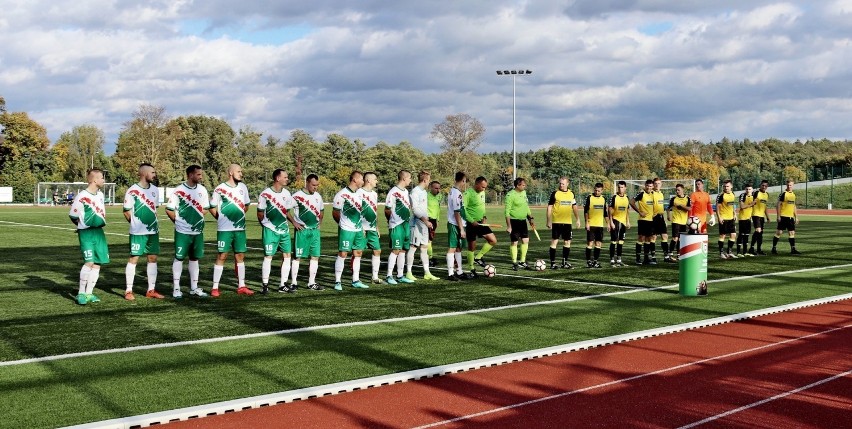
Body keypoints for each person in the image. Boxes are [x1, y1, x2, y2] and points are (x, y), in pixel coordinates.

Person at [166, 165, 210, 298]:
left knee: (195, 258)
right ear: (190, 175)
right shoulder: (178, 190)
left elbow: (206, 208)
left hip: (197, 231)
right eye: (198, 174)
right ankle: (176, 288)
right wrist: (179, 222)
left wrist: (197, 218)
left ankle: (194, 287)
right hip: (182, 232)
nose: (201, 177)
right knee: (179, 258)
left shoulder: (202, 190)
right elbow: (169, 209)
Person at [209, 164, 253, 296]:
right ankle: (215, 288)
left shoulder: (243, 187)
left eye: (241, 171)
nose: (241, 174)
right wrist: (221, 218)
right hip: (225, 230)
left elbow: (246, 205)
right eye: (239, 171)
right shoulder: (220, 189)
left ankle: (242, 286)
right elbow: (212, 206)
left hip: (240, 229)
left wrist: (239, 216)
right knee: (222, 255)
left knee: (240, 256)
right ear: (231, 173)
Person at [122, 163, 164, 300]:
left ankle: (151, 290)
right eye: (152, 172)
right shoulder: (132, 190)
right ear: (144, 173)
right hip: (137, 232)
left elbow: (154, 210)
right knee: (134, 258)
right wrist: (135, 224)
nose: (154, 175)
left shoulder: (155, 190)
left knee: (152, 258)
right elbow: (126, 211)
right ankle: (128, 290)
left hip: (153, 231)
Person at [69, 169, 109, 305]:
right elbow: (73, 216)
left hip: (99, 232)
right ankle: (81, 293)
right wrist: (82, 226)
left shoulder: (100, 195)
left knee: (97, 263)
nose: (104, 180)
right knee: (89, 262)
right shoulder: (82, 196)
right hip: (86, 233)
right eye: (102, 178)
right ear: (94, 180)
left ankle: (89, 293)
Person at [257, 169, 295, 294]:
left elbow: (286, 211)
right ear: (278, 178)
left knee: (287, 256)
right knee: (269, 256)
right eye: (285, 177)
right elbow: (260, 212)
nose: (287, 179)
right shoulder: (265, 194)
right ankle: (265, 285)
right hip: (270, 230)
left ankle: (282, 285)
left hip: (284, 230)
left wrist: (293, 222)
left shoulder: (287, 193)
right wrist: (265, 225)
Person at [332, 171, 368, 291]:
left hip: (358, 229)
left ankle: (355, 280)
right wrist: (343, 224)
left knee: (358, 253)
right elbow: (335, 212)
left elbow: (360, 212)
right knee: (343, 254)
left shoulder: (359, 194)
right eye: (362, 179)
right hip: (346, 229)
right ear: (355, 180)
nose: (363, 182)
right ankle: (337, 281)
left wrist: (361, 227)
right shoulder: (342, 194)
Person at [290, 174, 325, 290]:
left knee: (315, 256)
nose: (315, 187)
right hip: (302, 231)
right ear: (307, 183)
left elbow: (321, 210)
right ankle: (293, 283)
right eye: (313, 185)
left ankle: (311, 283)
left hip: (314, 231)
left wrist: (320, 222)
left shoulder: (318, 196)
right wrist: (294, 223)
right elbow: (284, 209)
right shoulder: (297, 196)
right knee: (297, 257)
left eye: (317, 185)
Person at [463, 176, 497, 277]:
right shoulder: (468, 193)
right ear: (476, 184)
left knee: (493, 240)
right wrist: (471, 221)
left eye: (485, 187)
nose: (484, 189)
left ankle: (478, 258)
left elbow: (482, 206)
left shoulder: (482, 192)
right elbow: (463, 209)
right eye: (482, 187)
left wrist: (484, 216)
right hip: (471, 224)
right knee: (471, 247)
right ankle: (471, 268)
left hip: (481, 223)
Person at [408, 171, 439, 280]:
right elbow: (415, 209)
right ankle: (408, 272)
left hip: (424, 224)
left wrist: (426, 221)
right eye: (429, 180)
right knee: (413, 247)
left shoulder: (424, 192)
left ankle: (427, 272)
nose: (429, 182)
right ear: (425, 180)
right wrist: (425, 221)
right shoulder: (415, 192)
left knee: (424, 247)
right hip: (417, 224)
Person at [385, 170, 414, 284]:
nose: (410, 180)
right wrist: (391, 221)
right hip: (397, 225)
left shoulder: (406, 191)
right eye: (409, 178)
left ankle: (400, 275)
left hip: (406, 224)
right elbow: (387, 209)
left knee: (403, 250)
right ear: (404, 178)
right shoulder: (393, 192)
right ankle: (389, 275)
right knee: (395, 250)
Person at [546, 177, 580, 269]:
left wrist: (578, 219)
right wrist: (548, 220)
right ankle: (553, 263)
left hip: (567, 222)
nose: (561, 185)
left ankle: (564, 262)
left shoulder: (571, 194)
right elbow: (549, 207)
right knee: (554, 242)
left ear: (567, 184)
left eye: (563, 184)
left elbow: (574, 207)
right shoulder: (555, 193)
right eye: (560, 183)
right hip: (557, 222)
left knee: (567, 242)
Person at [358, 172, 384, 284]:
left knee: (377, 250)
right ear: (368, 180)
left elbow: (375, 211)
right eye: (375, 179)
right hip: (361, 228)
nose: (376, 181)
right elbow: (356, 210)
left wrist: (377, 227)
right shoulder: (359, 192)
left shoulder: (374, 194)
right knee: (358, 252)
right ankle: (355, 278)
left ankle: (374, 277)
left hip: (372, 228)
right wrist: (359, 227)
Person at [505, 177, 535, 270]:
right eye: (523, 185)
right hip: (514, 221)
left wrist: (530, 217)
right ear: (517, 185)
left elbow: (526, 206)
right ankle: (514, 262)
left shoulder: (524, 193)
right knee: (514, 242)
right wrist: (509, 226)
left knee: (525, 240)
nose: (524, 186)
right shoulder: (510, 195)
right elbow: (507, 212)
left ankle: (522, 261)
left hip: (523, 221)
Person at [446, 172, 468, 281]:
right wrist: (461, 229)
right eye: (465, 181)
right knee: (452, 248)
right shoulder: (455, 193)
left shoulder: (455, 192)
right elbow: (456, 212)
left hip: (458, 224)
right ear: (463, 180)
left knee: (459, 248)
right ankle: (450, 273)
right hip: (454, 225)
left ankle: (459, 271)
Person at [629, 179, 656, 265]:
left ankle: (646, 259)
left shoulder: (653, 194)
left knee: (648, 239)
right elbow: (631, 202)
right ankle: (637, 259)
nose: (649, 188)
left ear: (653, 187)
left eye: (651, 186)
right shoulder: (641, 194)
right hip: (643, 220)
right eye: (647, 186)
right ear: (645, 186)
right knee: (641, 238)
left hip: (651, 220)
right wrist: (639, 212)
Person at [772, 179, 801, 254]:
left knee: (792, 233)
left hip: (790, 217)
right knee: (779, 232)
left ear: (793, 185)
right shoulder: (783, 194)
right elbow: (778, 204)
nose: (789, 186)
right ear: (786, 185)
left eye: (790, 185)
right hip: (783, 216)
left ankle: (793, 249)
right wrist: (778, 216)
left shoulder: (793, 195)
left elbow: (794, 206)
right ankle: (774, 248)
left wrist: (796, 217)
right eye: (788, 185)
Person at [584, 182, 609, 268]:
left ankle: (595, 261)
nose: (596, 192)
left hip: (600, 225)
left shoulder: (603, 199)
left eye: (598, 191)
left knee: (598, 244)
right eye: (595, 190)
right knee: (590, 243)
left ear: (602, 190)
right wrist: (587, 222)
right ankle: (588, 262)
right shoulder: (589, 197)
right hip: (591, 225)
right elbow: (586, 211)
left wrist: (608, 223)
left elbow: (605, 213)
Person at [666, 183, 692, 260]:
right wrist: (668, 215)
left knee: (680, 239)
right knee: (675, 238)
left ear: (683, 190)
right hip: (676, 221)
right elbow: (668, 208)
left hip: (683, 222)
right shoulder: (673, 199)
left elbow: (690, 209)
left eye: (679, 190)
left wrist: (681, 206)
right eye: (676, 190)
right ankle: (670, 254)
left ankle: (678, 254)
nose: (677, 191)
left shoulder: (687, 198)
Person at [608, 180, 631, 267]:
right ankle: (612, 260)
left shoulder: (626, 198)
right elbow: (609, 210)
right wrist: (611, 222)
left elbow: (627, 210)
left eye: (622, 187)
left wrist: (628, 221)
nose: (620, 189)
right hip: (615, 220)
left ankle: (619, 260)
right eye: (619, 187)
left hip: (623, 222)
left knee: (621, 241)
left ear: (625, 188)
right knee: (614, 241)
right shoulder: (614, 197)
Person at [715, 180, 737, 259]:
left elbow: (732, 205)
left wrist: (735, 214)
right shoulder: (720, 195)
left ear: (731, 186)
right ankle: (721, 253)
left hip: (731, 218)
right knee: (722, 235)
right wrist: (719, 217)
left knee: (733, 235)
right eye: (724, 186)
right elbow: (717, 207)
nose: (725, 188)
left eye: (727, 186)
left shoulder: (733, 194)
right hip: (723, 218)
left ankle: (729, 252)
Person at [652, 178, 673, 262]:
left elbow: (661, 208)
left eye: (659, 183)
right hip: (653, 218)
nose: (657, 185)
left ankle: (666, 257)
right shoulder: (651, 193)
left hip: (661, 218)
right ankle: (653, 257)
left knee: (665, 236)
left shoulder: (661, 194)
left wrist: (664, 219)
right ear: (653, 184)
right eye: (655, 183)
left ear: (661, 184)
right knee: (653, 237)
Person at [748, 180, 771, 255]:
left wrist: (768, 217)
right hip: (755, 214)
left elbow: (765, 207)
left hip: (762, 216)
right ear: (760, 185)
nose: (764, 187)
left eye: (765, 186)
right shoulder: (756, 193)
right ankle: (751, 248)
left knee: (760, 233)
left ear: (767, 187)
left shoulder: (767, 194)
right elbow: (751, 202)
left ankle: (759, 249)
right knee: (758, 231)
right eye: (762, 185)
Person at [736, 184, 756, 257]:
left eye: (749, 189)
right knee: (741, 235)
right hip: (742, 218)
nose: (748, 190)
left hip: (749, 219)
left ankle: (745, 252)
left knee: (747, 235)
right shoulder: (742, 195)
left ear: (752, 189)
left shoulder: (754, 196)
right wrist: (751, 204)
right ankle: (738, 252)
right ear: (745, 189)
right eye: (747, 189)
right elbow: (742, 206)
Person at [427, 180, 442, 267]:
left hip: (434, 220)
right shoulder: (426, 196)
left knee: (430, 240)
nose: (438, 190)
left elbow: (438, 208)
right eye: (436, 188)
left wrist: (438, 219)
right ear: (430, 188)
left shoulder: (439, 196)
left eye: (439, 188)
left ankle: (429, 257)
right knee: (428, 240)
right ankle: (429, 258)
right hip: (427, 220)